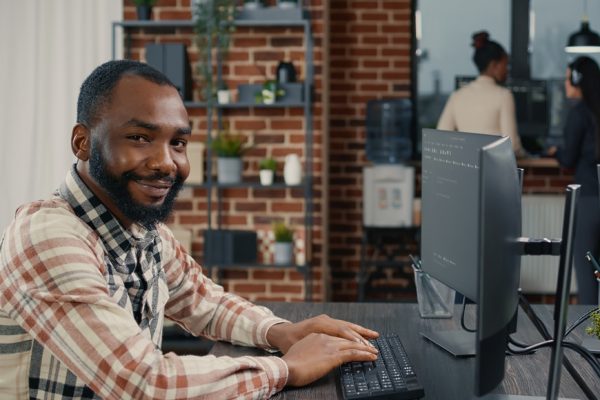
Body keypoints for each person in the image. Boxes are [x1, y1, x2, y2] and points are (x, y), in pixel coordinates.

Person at [0, 60, 380, 399]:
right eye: (140, 137)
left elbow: (202, 301)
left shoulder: (141, 230)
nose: (167, 163)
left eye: (178, 142)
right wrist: (288, 368)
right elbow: (144, 383)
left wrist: (280, 332)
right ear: (82, 142)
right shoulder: (46, 235)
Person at [549, 56, 600, 304]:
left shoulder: (579, 113)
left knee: (588, 273)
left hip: (589, 200)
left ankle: (593, 339)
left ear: (576, 80)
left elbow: (568, 158)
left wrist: (555, 152)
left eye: (568, 77)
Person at [437, 31, 526, 157]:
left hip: (465, 171)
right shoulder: (504, 95)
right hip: (493, 172)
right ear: (494, 65)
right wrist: (526, 155)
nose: (507, 70)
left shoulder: (457, 96)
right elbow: (513, 146)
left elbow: (441, 138)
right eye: (506, 65)